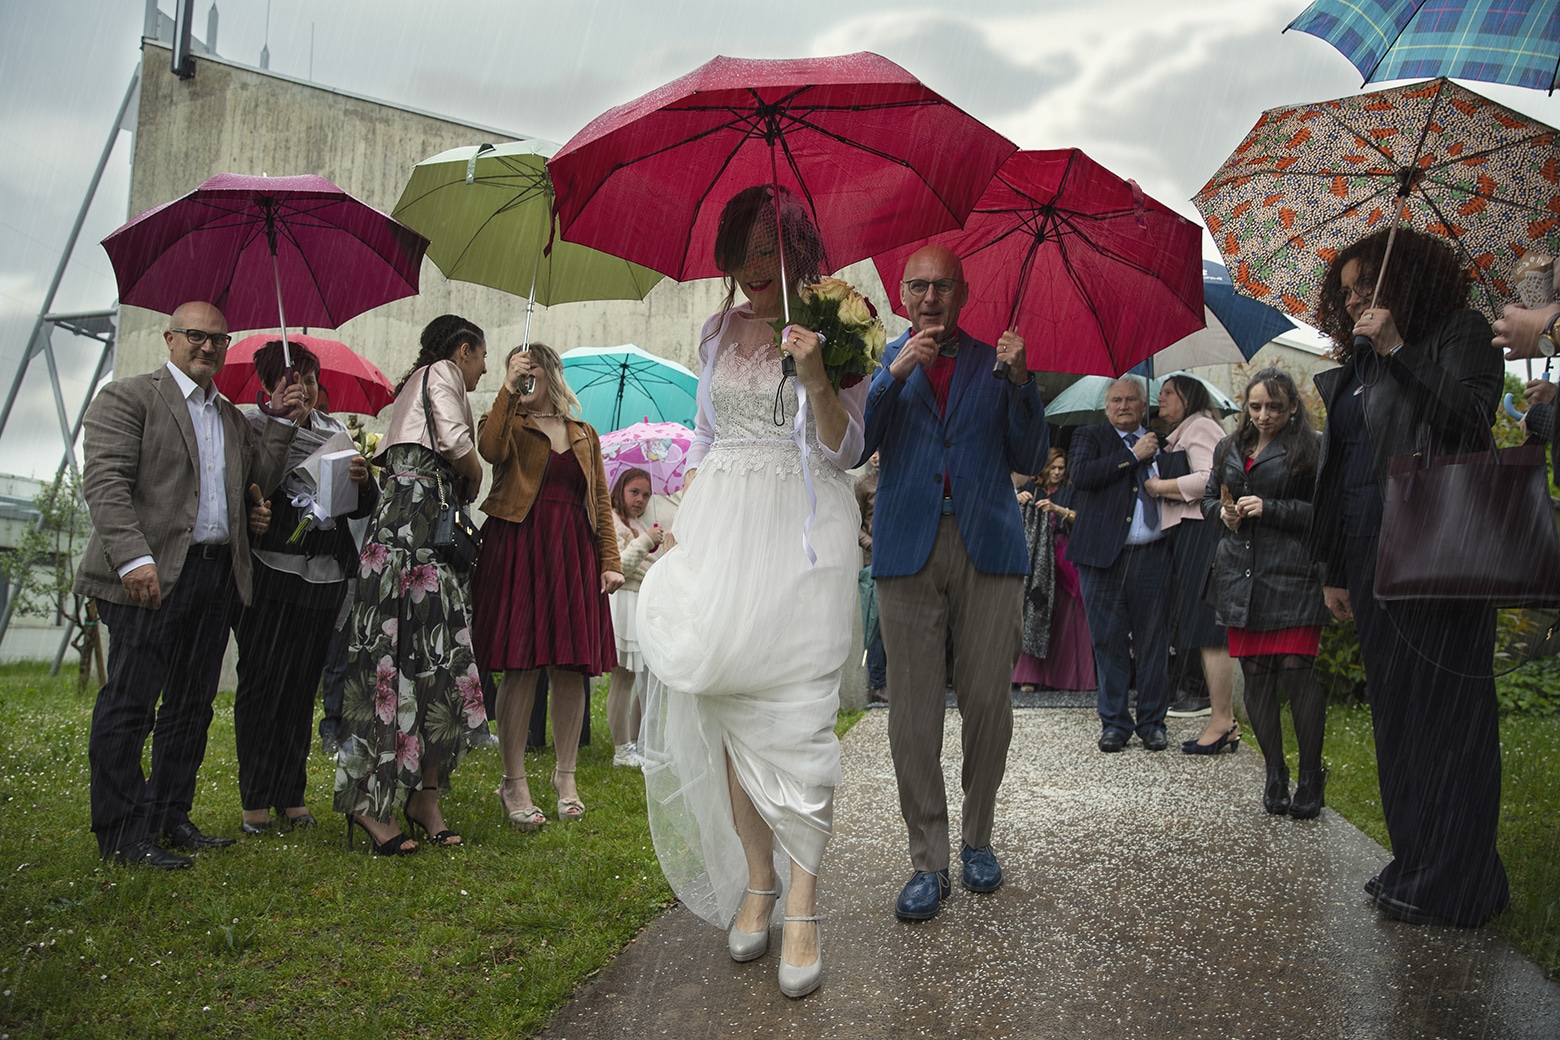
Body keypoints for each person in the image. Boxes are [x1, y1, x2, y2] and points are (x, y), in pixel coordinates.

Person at [637, 185, 865, 998]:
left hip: (803, 529)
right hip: (720, 525)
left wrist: (818, 376)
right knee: (727, 702)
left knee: (798, 716)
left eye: (774, 246)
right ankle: (758, 879)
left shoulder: (841, 325)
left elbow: (845, 450)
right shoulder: (716, 330)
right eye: (745, 246)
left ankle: (802, 901)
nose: (757, 263)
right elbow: (703, 432)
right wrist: (681, 514)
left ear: (801, 251)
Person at [1309, 227, 1507, 927]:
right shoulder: (1358, 359)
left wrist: (1398, 350)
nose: (1357, 299)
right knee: (1396, 711)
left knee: (1447, 716)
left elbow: (1471, 422)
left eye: (1368, 285)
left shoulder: (1462, 331)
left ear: (1410, 278)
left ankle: (1463, 879)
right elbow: (1343, 466)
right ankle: (1416, 857)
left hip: (1436, 544)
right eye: (1349, 292)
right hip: (1369, 550)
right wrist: (1334, 564)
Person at [74, 301, 301, 868]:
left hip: (214, 575)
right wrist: (131, 559)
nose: (208, 347)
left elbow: (257, 482)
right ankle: (122, 834)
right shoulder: (127, 397)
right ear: (170, 339)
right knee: (130, 705)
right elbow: (105, 483)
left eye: (219, 340)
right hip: (147, 575)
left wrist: (279, 420)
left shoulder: (228, 416)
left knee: (190, 706)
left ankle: (168, 815)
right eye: (196, 336)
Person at [862, 242, 1047, 922]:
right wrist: (893, 376)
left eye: (943, 286)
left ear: (963, 294)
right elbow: (853, 445)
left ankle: (977, 840)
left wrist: (1024, 383)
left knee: (989, 706)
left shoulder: (996, 362)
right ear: (901, 295)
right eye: (919, 286)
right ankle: (928, 862)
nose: (931, 297)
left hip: (989, 545)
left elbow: (1030, 456)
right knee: (912, 714)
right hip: (907, 546)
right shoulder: (882, 358)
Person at [333, 315, 490, 855]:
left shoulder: (410, 385)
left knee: (419, 657)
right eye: (482, 357)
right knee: (407, 658)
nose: (483, 368)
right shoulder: (442, 371)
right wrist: (474, 474)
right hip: (414, 535)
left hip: (408, 530)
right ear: (464, 350)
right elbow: (457, 446)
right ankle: (370, 803)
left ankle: (423, 797)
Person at [473, 342, 622, 832]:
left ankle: (566, 777)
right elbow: (489, 450)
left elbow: (599, 497)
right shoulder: (509, 422)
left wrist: (610, 560)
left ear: (553, 374)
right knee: (520, 666)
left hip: (571, 551)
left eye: (534, 367)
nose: (527, 374)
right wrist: (507, 390)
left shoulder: (583, 433)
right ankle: (512, 781)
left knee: (569, 667)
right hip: (518, 544)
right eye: (520, 368)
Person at [231, 341, 378, 835]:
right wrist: (281, 424)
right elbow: (250, 486)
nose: (304, 388)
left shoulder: (336, 432)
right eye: (291, 379)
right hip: (272, 575)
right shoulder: (252, 430)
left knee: (299, 689)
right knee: (261, 685)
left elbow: (358, 508)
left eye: (310, 379)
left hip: (324, 579)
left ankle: (291, 794)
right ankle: (255, 797)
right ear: (268, 386)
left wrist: (362, 480)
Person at [1203, 368, 1331, 811]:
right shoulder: (1228, 447)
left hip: (1292, 573)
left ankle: (1311, 777)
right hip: (1241, 576)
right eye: (1255, 406)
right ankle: (1275, 773)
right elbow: (1206, 499)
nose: (1263, 415)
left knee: (1297, 671)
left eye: (1274, 406)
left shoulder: (1311, 447)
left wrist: (1271, 507)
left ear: (1293, 406)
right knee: (1256, 675)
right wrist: (1222, 514)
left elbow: (1324, 513)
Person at [1067, 375, 1174, 754]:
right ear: (1106, 406)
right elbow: (1081, 477)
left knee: (1153, 643)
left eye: (1131, 400)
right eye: (1116, 400)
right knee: (1107, 641)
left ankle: (1152, 723)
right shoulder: (1090, 437)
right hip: (1101, 560)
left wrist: (1152, 452)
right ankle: (1114, 723)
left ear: (1144, 406)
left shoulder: (1163, 441)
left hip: (1152, 557)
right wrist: (1132, 456)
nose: (1124, 406)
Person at [1144, 375, 1235, 739]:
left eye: (1168, 393)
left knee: (1207, 625)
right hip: (1187, 532)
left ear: (1188, 396)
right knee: (1197, 622)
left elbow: (1210, 478)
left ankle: (1222, 717)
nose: (1161, 399)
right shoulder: (1182, 432)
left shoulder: (1199, 426)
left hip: (1201, 529)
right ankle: (1218, 714)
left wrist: (1160, 487)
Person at [1011, 450, 1093, 692]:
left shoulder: (1072, 491)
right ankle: (1029, 676)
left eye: (1061, 467)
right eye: (1053, 467)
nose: (1057, 472)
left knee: (1071, 614)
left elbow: (1081, 519)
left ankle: (1070, 677)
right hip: (1036, 557)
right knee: (1034, 611)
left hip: (1064, 555)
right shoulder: (1029, 488)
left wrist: (1058, 508)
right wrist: (1017, 498)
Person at [607, 467, 662, 767]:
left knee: (643, 677)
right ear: (621, 490)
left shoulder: (640, 524)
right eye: (634, 492)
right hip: (623, 602)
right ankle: (621, 749)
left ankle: (637, 741)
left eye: (646, 495)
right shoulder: (613, 522)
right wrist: (644, 543)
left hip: (641, 603)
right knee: (623, 679)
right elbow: (619, 566)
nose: (640, 499)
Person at [855, 452, 886, 701]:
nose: (875, 455)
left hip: (902, 559)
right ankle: (877, 684)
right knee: (875, 622)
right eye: (871, 450)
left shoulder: (898, 477)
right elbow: (854, 525)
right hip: (874, 562)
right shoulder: (863, 483)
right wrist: (873, 545)